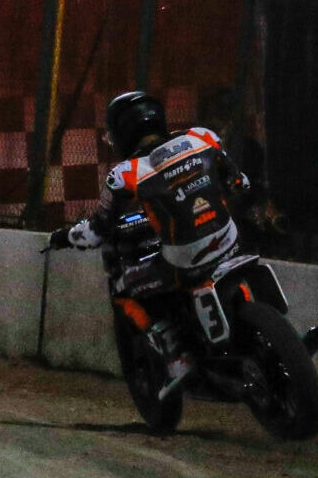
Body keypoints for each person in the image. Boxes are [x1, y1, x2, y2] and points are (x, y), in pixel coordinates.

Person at [45, 90, 254, 402]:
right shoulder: (202, 137)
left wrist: (64, 237)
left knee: (126, 288)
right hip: (230, 241)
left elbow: (97, 230)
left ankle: (176, 352)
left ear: (122, 133)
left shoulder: (124, 174)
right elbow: (240, 183)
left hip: (183, 259)